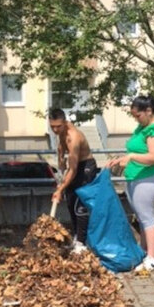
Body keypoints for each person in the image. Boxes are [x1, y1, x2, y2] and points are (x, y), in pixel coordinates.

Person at [107, 94, 154, 272]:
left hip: (147, 180)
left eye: (138, 115)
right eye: (133, 115)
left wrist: (132, 157)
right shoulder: (142, 127)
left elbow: (153, 157)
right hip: (135, 178)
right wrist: (121, 160)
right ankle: (143, 251)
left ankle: (153, 258)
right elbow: (135, 150)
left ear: (148, 111)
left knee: (147, 218)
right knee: (141, 218)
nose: (136, 118)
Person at [49, 108, 97, 253]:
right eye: (52, 127)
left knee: (79, 206)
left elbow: (74, 169)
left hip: (85, 168)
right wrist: (60, 166)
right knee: (70, 202)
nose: (55, 129)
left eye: (58, 126)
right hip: (73, 168)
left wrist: (59, 189)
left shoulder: (73, 137)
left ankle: (82, 243)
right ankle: (77, 237)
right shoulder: (60, 132)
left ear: (65, 122)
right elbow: (60, 148)